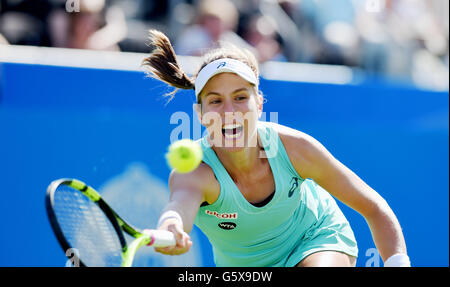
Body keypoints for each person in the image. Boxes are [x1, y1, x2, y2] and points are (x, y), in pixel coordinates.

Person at [142, 30, 410, 267]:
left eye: (240, 98)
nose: (229, 111)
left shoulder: (295, 149)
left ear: (258, 103)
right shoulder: (195, 172)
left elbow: (374, 207)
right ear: (199, 114)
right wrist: (172, 227)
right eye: (215, 101)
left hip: (316, 238)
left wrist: (397, 262)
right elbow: (177, 209)